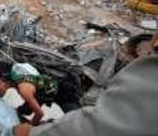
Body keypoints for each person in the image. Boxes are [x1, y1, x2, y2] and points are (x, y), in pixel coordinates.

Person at [14, 56, 158, 136]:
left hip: (65, 92)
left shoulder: (24, 89)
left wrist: (33, 129)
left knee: (76, 115)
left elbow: (39, 113)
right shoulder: (21, 76)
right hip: (51, 89)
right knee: (26, 108)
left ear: (2, 82)